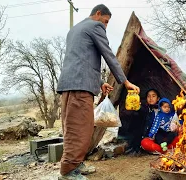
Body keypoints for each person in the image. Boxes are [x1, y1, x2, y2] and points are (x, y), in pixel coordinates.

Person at [56, 4, 140, 180]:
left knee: (82, 127)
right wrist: (125, 82)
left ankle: (77, 164)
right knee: (77, 129)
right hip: (78, 88)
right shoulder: (95, 26)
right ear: (98, 14)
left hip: (75, 84)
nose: (106, 26)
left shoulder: (75, 30)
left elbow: (81, 62)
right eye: (106, 21)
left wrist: (100, 82)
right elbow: (109, 55)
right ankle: (67, 171)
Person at [120, 88, 161, 155]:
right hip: (145, 136)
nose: (151, 98)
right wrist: (137, 107)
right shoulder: (145, 107)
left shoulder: (161, 110)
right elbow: (142, 110)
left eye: (153, 96)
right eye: (148, 96)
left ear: (158, 98)